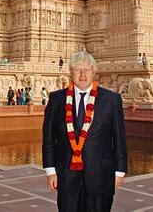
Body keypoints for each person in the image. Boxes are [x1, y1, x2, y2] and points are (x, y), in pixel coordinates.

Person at [42, 51, 127, 212]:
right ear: (71, 72)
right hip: (66, 175)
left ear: (94, 72)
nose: (82, 74)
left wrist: (120, 171)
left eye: (87, 70)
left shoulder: (111, 100)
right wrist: (50, 171)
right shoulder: (57, 100)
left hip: (100, 175)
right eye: (78, 69)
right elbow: (48, 139)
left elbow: (119, 138)